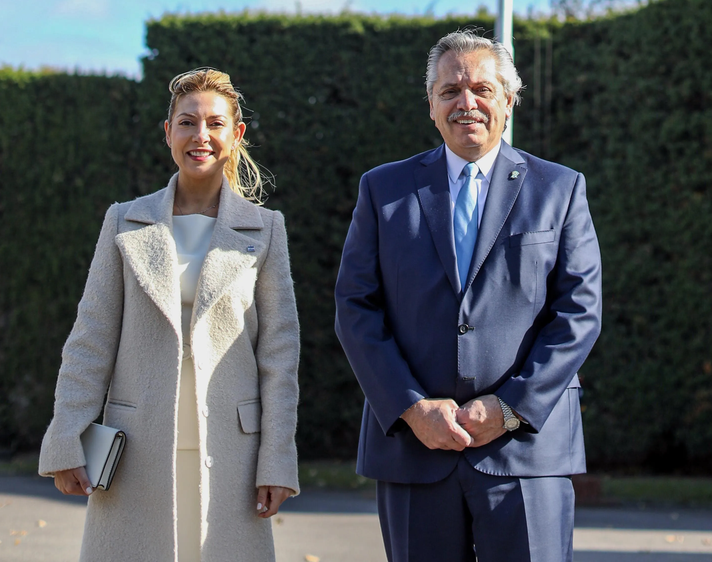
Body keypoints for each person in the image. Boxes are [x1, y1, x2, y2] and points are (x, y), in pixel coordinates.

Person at [334, 29, 602, 562]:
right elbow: (355, 308)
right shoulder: (382, 189)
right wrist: (411, 409)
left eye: (482, 88)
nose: (467, 103)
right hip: (415, 450)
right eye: (450, 91)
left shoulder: (560, 188)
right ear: (431, 105)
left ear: (508, 100)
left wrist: (509, 408)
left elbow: (579, 311)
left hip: (527, 451)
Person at [38, 68, 300, 562]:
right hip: (135, 448)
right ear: (168, 132)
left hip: (231, 454)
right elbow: (91, 339)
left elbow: (279, 358)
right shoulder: (124, 220)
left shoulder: (266, 230)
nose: (201, 136)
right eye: (187, 122)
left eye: (215, 124)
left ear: (235, 134)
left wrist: (277, 460)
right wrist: (67, 438)